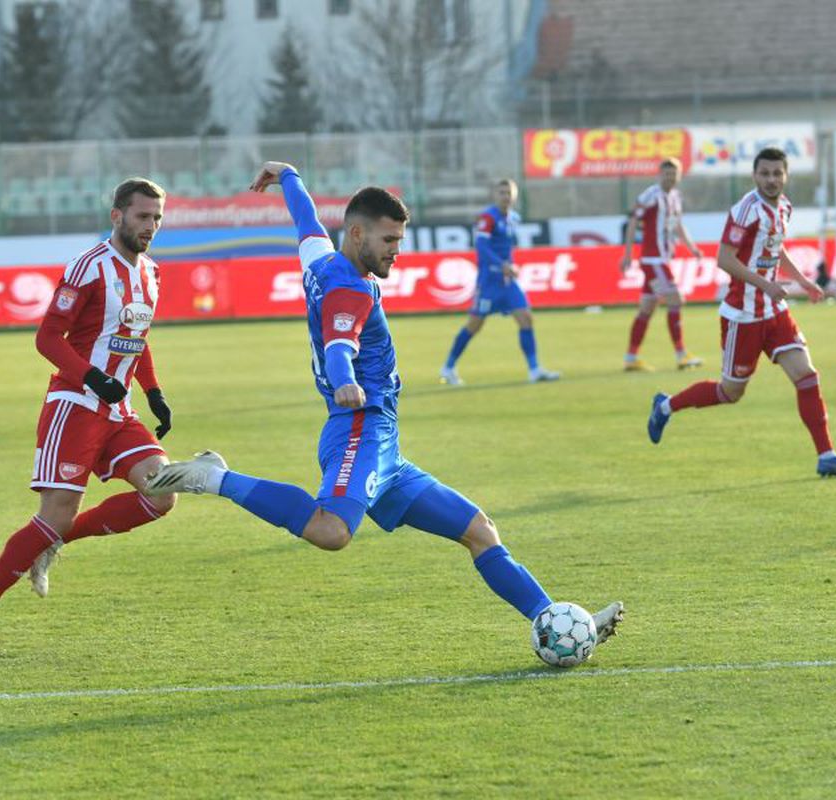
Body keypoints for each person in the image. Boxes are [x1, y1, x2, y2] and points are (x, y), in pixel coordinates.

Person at [145, 162, 623, 649]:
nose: (397, 250)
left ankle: (555, 620)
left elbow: (306, 223)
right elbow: (339, 344)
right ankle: (214, 476)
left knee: (479, 530)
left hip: (386, 445)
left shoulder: (323, 262)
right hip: (360, 427)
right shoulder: (350, 288)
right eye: (389, 241)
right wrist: (345, 381)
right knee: (331, 531)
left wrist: (290, 178)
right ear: (357, 233)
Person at [0, 178, 179, 646]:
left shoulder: (152, 273)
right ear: (117, 216)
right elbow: (47, 337)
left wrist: (153, 391)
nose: (150, 226)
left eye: (157, 217)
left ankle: (53, 542)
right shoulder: (88, 268)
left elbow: (136, 338)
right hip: (75, 406)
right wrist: (92, 377)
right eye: (142, 216)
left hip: (119, 412)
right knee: (55, 513)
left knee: (161, 493)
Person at [646, 148, 836, 478]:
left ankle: (827, 455)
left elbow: (776, 251)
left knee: (807, 377)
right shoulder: (746, 210)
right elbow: (724, 259)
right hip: (743, 316)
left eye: (777, 173)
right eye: (765, 173)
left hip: (775, 312)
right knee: (729, 392)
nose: (771, 179)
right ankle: (666, 406)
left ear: (785, 175)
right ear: (755, 175)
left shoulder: (785, 207)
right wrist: (765, 284)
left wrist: (805, 281)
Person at [439, 178, 560, 385]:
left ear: (515, 195)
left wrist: (509, 266)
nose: (506, 196)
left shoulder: (513, 218)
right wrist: (502, 265)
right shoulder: (488, 218)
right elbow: (482, 247)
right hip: (489, 282)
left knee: (526, 318)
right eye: (502, 192)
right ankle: (448, 368)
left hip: (507, 282)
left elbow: (504, 248)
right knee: (474, 325)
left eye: (509, 192)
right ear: (495, 196)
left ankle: (534, 369)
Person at [619, 158, 704, 372]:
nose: (670, 178)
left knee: (647, 308)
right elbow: (632, 222)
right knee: (676, 299)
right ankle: (681, 354)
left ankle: (631, 357)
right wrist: (628, 254)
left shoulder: (675, 197)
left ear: (679, 175)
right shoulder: (651, 195)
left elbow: (677, 225)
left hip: (663, 258)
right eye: (666, 174)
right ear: (659, 175)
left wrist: (692, 248)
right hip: (652, 260)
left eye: (674, 174)